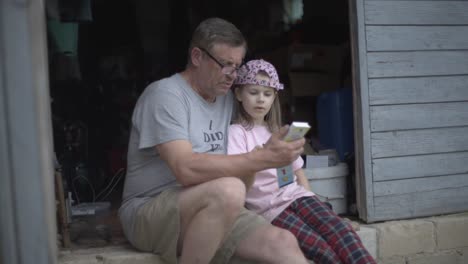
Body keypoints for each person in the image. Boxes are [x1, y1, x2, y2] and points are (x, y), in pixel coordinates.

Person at [118, 18, 311, 264]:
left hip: (216, 204)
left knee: (283, 243)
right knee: (229, 189)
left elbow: (246, 161)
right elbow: (185, 169)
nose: (233, 75)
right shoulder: (165, 95)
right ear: (197, 57)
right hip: (149, 210)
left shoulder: (227, 101)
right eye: (225, 64)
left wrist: (276, 149)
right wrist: (260, 157)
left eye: (238, 66)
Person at [227, 59, 377, 264]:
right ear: (238, 94)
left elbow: (297, 173)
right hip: (271, 209)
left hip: (298, 197)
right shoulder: (237, 133)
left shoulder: (278, 131)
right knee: (320, 248)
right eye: (253, 92)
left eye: (267, 93)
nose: (260, 99)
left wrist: (310, 197)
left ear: (274, 97)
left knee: (340, 229)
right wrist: (257, 159)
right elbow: (239, 181)